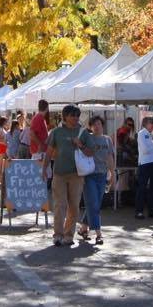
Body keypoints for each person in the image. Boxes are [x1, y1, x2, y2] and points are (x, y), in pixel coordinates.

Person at [42, 105, 94, 247]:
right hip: (59, 173)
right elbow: (49, 151)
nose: (76, 118)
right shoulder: (56, 132)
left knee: (74, 206)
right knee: (60, 205)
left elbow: (91, 153)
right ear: (65, 117)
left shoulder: (83, 133)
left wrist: (81, 145)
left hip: (77, 175)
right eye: (72, 115)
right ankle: (57, 235)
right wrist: (44, 169)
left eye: (77, 115)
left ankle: (68, 235)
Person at [78, 116, 115, 244]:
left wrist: (112, 173)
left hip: (102, 175)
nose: (97, 126)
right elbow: (80, 154)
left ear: (102, 125)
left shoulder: (107, 140)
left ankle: (83, 228)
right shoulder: (88, 137)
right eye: (94, 124)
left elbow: (110, 157)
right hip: (89, 175)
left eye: (99, 124)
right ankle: (98, 233)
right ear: (91, 126)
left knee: (94, 204)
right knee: (93, 204)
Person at [135, 116, 153, 219]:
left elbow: (150, 148)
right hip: (144, 164)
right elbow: (144, 150)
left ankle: (152, 210)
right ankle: (139, 211)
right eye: (150, 122)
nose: (152, 124)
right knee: (142, 188)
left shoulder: (152, 135)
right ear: (145, 124)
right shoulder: (141, 133)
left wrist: (152, 146)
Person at [0, 117, 9, 184]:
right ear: (3, 122)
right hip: (1, 146)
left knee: (0, 162)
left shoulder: (1, 128)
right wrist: (5, 142)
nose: (7, 123)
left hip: (2, 146)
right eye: (6, 121)